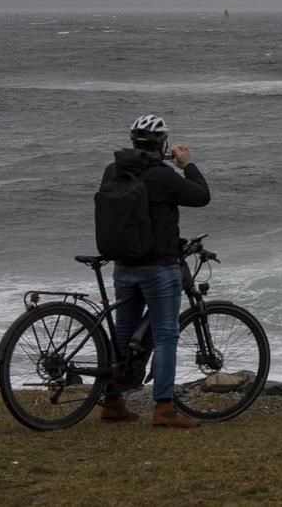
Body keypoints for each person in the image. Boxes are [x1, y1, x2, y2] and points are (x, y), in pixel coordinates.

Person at [98, 114, 210, 428]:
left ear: (134, 142)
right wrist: (187, 164)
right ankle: (164, 408)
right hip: (158, 267)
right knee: (165, 336)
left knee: (123, 333)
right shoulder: (162, 175)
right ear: (161, 145)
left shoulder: (113, 170)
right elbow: (201, 196)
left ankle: (113, 401)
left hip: (123, 264)